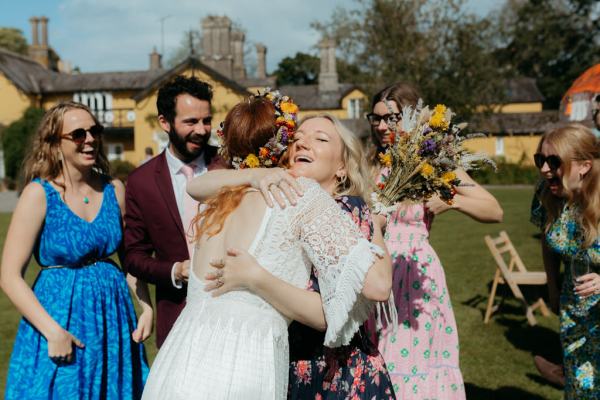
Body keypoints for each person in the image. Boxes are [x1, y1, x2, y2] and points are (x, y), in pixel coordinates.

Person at [141, 95, 390, 400]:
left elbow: (196, 186)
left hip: (179, 358)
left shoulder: (216, 200)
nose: (302, 145)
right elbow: (374, 287)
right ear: (282, 146)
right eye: (296, 138)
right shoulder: (300, 194)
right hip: (244, 361)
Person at [0, 102, 152, 399]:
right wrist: (52, 331)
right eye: (78, 134)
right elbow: (8, 276)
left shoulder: (114, 189)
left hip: (113, 319)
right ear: (55, 143)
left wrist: (146, 306)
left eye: (95, 131)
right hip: (58, 318)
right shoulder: (39, 194)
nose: (90, 139)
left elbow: (130, 259)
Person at [365, 82, 503, 398]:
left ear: (413, 118)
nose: (383, 126)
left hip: (414, 275)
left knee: (408, 367)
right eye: (376, 119)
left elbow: (493, 210)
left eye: (392, 118)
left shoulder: (432, 165)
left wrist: (451, 198)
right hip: (372, 272)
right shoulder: (368, 163)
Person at [124, 75, 218, 348]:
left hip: (234, 312)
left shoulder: (230, 167)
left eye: (206, 120)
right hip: (176, 315)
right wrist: (175, 271)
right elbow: (134, 257)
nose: (201, 130)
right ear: (164, 122)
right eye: (191, 122)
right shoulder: (141, 182)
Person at [531, 123, 599, 399]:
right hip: (575, 308)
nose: (545, 169)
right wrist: (553, 289)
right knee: (580, 389)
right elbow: (548, 245)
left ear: (584, 165)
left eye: (554, 161)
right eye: (541, 160)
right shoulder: (547, 194)